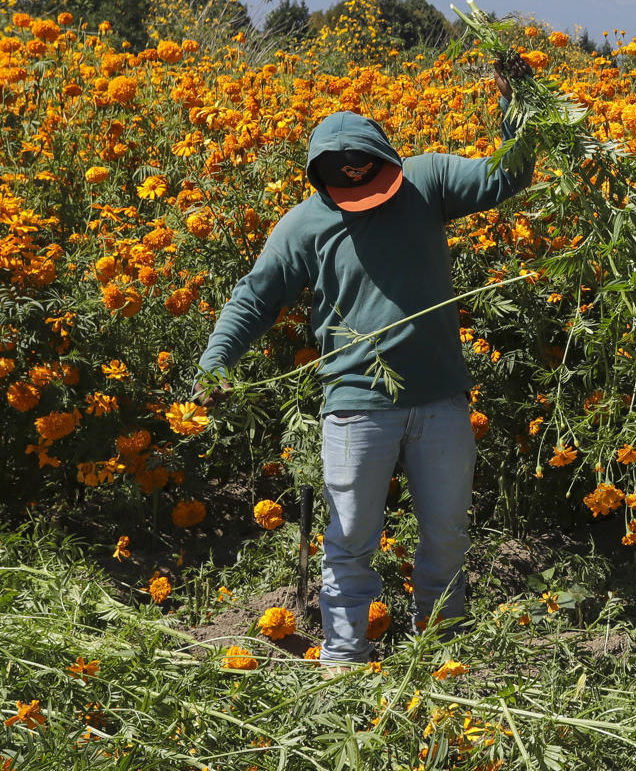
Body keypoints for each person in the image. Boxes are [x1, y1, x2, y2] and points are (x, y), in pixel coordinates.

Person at [197, 67, 531, 669]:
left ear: (389, 160)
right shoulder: (303, 225)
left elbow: (508, 172)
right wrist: (215, 364)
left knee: (448, 533)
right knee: (349, 541)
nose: (361, 192)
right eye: (346, 185)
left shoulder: (427, 180)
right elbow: (254, 299)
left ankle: (440, 648)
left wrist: (517, 103)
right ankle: (346, 659)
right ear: (321, 180)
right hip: (355, 406)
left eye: (371, 177)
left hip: (440, 401)